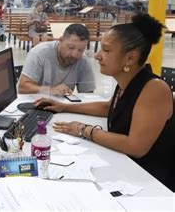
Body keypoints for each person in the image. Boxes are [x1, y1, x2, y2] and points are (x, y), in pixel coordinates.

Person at [37, 14, 174, 191]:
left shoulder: (154, 89)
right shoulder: (129, 81)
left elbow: (135, 146)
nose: (97, 55)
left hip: (152, 183)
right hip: (128, 168)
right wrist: (64, 107)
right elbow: (110, 107)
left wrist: (83, 130)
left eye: (106, 50)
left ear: (130, 58)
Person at [18, 24, 95, 96]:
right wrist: (50, 90)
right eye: (71, 47)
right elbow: (22, 88)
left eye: (81, 50)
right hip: (32, 104)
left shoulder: (83, 61)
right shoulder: (40, 53)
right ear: (61, 40)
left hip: (62, 107)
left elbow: (87, 95)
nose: (75, 55)